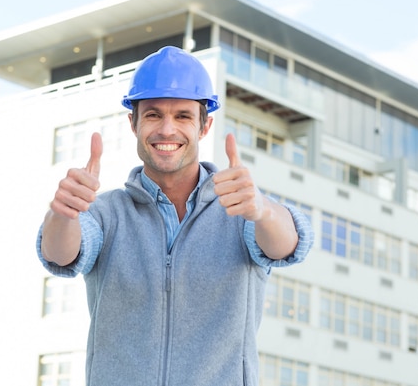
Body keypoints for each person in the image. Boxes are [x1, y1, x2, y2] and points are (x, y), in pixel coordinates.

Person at [36, 46, 313, 386]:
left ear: (204, 126)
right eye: (153, 115)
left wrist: (263, 211)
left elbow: (288, 245)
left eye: (182, 116)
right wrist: (62, 213)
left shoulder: (241, 208)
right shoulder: (105, 213)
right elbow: (61, 254)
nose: (167, 130)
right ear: (133, 123)